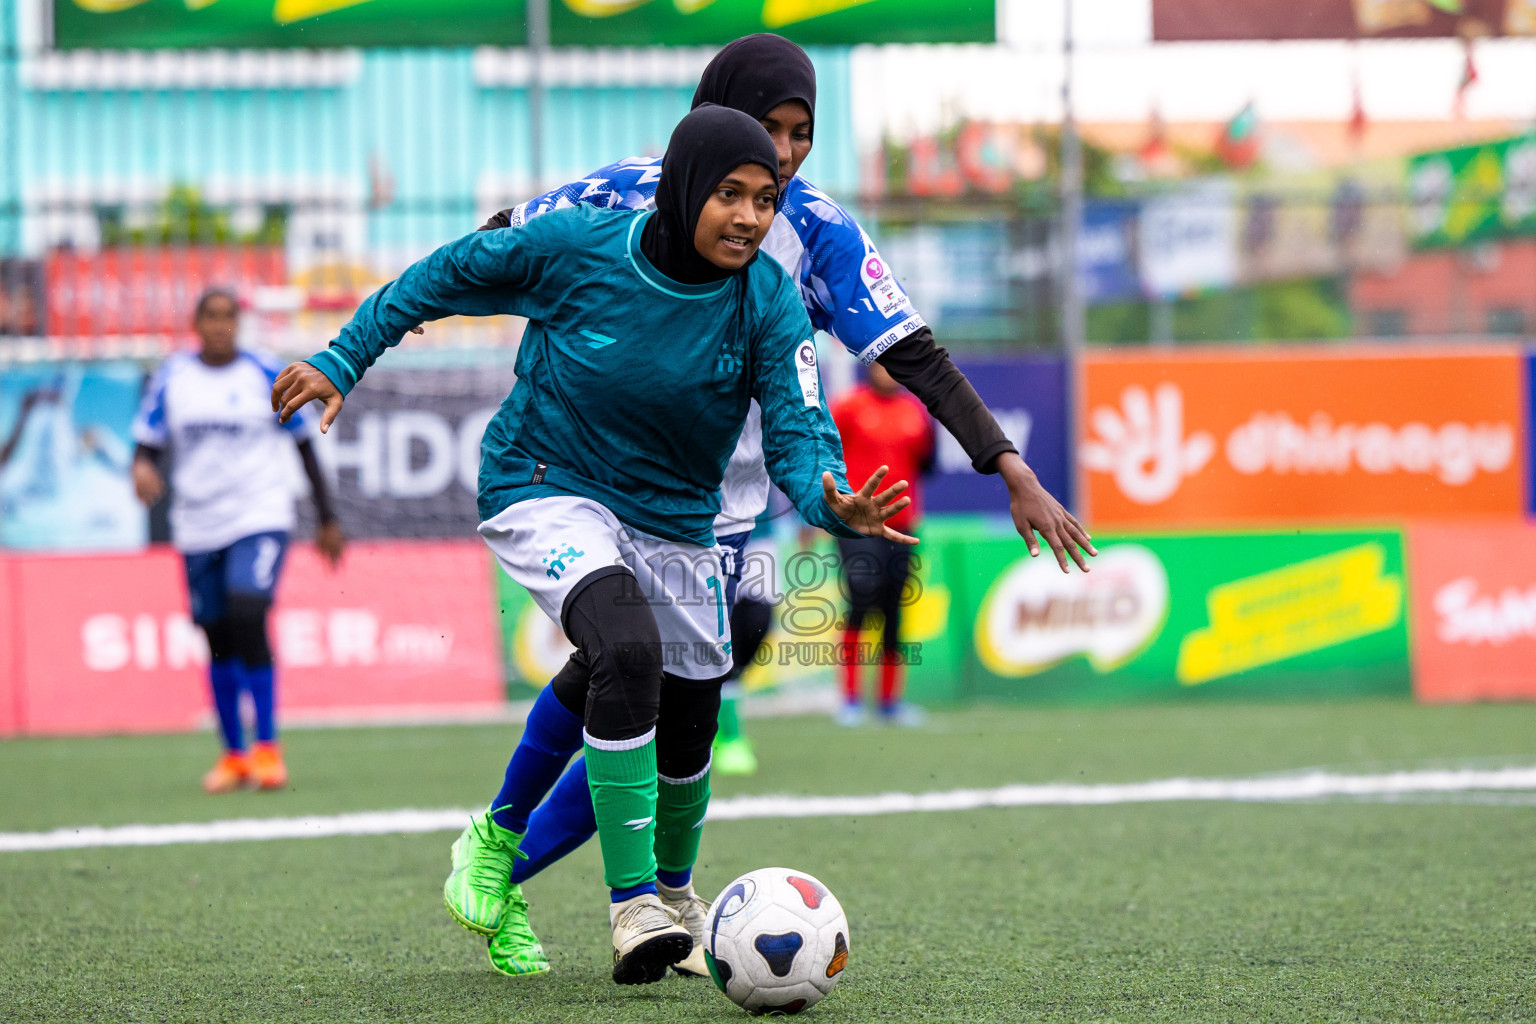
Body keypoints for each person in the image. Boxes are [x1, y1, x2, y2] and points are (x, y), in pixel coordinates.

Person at [454, 32, 1098, 982]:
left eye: (802, 133)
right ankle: (548, 866)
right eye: (768, 127)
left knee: (657, 699)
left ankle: (547, 863)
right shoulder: (626, 189)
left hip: (726, 503)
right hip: (599, 479)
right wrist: (414, 306)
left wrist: (1007, 464)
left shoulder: (824, 231)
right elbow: (506, 239)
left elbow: (910, 350)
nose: (785, 154)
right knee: (628, 670)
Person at [269, 105, 912, 987]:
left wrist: (833, 502)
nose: (750, 218)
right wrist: (344, 358)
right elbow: (436, 279)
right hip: (547, 481)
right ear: (686, 188)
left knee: (692, 720)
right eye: (730, 194)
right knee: (625, 648)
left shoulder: (766, 298)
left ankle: (650, 890)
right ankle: (632, 904)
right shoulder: (576, 248)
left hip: (676, 516)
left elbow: (801, 434)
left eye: (765, 200)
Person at [130, 287, 345, 793]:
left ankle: (268, 748)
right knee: (216, 632)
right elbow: (147, 443)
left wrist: (327, 518)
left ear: (238, 323)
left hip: (259, 514)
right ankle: (233, 756)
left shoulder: (265, 372)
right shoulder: (173, 378)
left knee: (248, 610)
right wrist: (140, 467)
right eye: (212, 317)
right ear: (197, 322)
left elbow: (304, 448)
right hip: (196, 524)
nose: (222, 326)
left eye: (230, 317)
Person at [831, 361, 934, 727]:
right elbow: (825, 457)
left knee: (894, 606)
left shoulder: (914, 413)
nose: (888, 372)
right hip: (857, 524)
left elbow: (925, 464)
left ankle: (890, 702)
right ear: (869, 368)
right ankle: (850, 699)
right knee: (862, 596)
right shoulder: (849, 407)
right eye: (881, 365)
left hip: (902, 526)